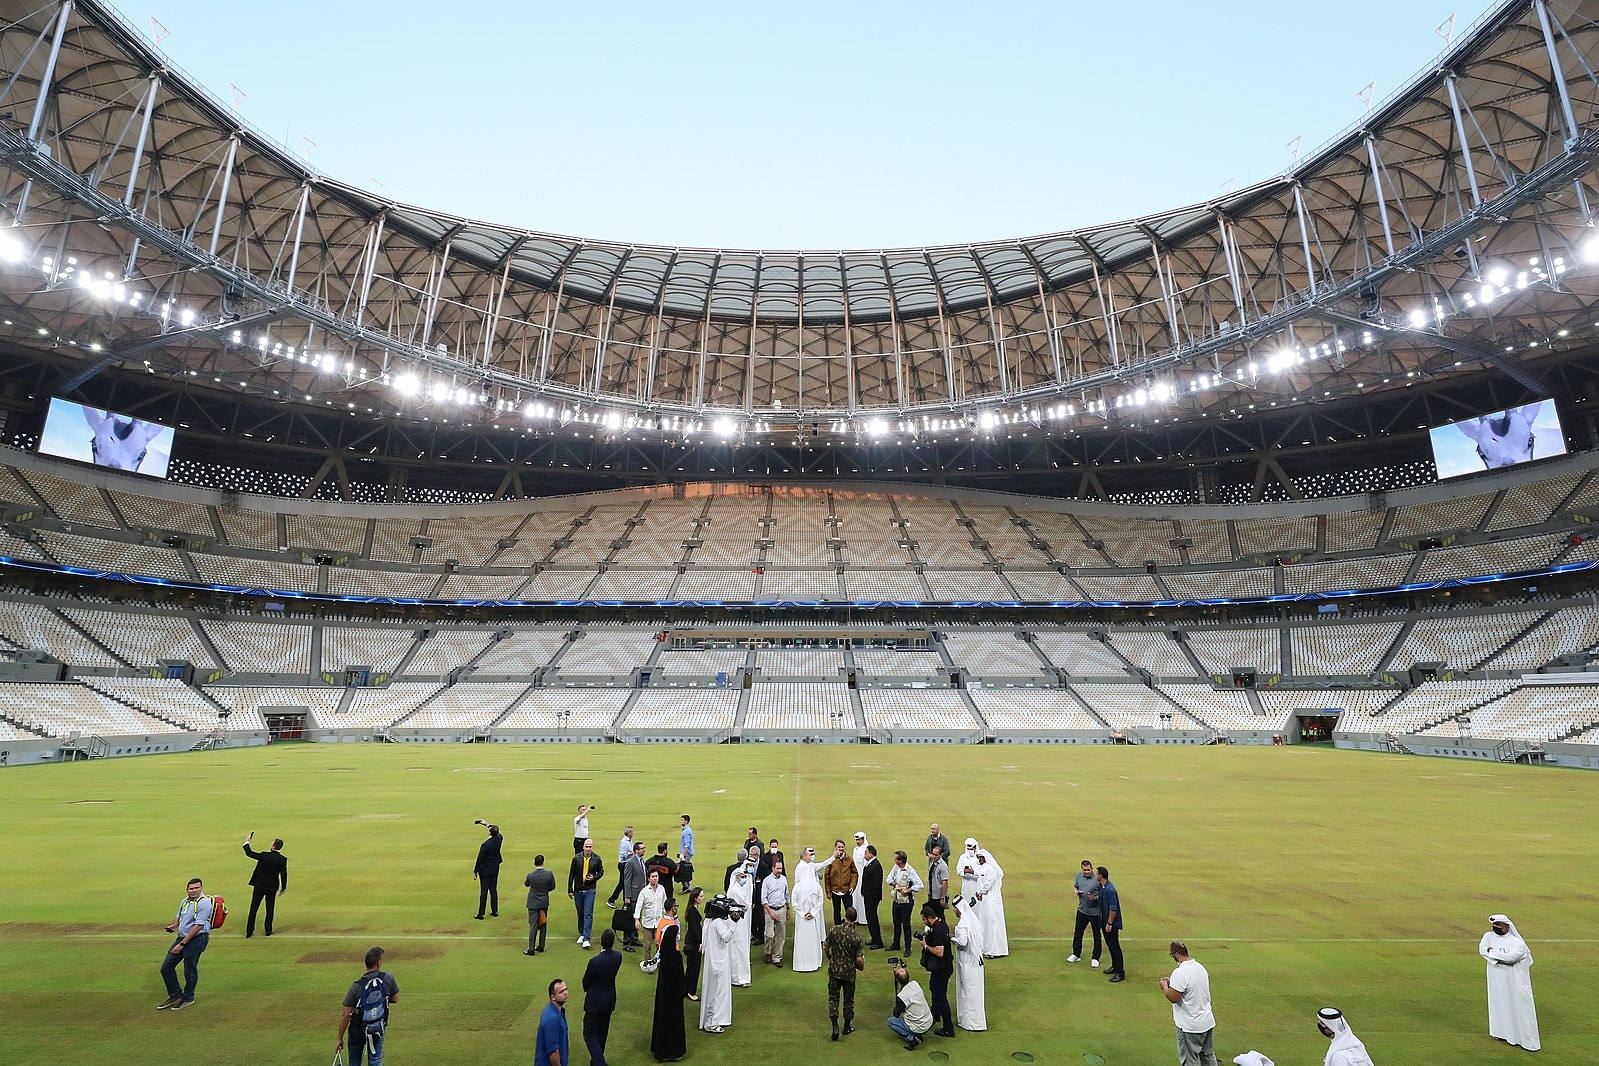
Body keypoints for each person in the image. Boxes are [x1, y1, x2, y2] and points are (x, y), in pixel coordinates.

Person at [1479, 914, 1539, 1051]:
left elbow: (1511, 958)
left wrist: (1491, 952)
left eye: (1498, 925)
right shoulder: (1488, 936)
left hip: (1514, 982)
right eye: (1494, 925)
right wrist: (1499, 956)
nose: (1496, 927)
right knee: (1498, 1005)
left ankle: (1527, 1041)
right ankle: (1500, 1033)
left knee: (1519, 1009)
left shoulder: (1518, 943)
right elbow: (1482, 950)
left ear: (1507, 926)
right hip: (1496, 980)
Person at [156, 877, 213, 1010]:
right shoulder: (185, 901)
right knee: (166, 967)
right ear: (187, 890)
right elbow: (179, 916)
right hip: (182, 938)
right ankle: (175, 995)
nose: (194, 890)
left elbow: (198, 926)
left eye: (197, 888)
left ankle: (188, 998)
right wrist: (174, 926)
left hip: (197, 940)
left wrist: (182, 944)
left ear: (201, 888)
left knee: (189, 969)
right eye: (191, 888)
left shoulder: (204, 903)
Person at [336, 946, 398, 1066]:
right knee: (375, 1060)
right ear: (378, 963)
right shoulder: (388, 978)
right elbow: (395, 998)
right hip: (377, 1027)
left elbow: (346, 1015)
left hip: (357, 1028)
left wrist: (339, 1038)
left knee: (355, 1061)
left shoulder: (356, 986)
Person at [1159, 940, 1217, 1066]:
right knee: (1208, 1056)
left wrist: (1165, 986)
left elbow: (1173, 997)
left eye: (1172, 955)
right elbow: (1191, 985)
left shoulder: (1180, 972)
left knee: (1190, 1061)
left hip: (1190, 1026)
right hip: (1207, 1021)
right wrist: (1173, 982)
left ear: (1177, 954)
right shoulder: (1200, 967)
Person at [651, 900, 687, 1061]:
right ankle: (672, 1052)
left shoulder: (664, 957)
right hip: (674, 998)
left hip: (664, 994)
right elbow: (680, 979)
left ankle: (660, 1049)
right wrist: (683, 991)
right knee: (673, 1023)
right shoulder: (676, 957)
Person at [580, 930, 622, 1066]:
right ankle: (596, 1062)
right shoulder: (618, 957)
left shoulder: (595, 962)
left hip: (595, 1002)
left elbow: (585, 983)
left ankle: (599, 1062)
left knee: (589, 1034)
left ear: (601, 943)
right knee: (602, 1033)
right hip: (609, 1001)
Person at [823, 905, 865, 1040]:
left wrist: (830, 957)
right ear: (855, 920)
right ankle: (847, 1026)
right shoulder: (856, 937)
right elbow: (859, 960)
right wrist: (860, 967)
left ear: (845, 916)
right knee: (848, 1000)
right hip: (849, 973)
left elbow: (825, 946)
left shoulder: (834, 930)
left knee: (833, 998)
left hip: (834, 971)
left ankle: (835, 1026)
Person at [698, 895, 738, 1034]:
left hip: (714, 961)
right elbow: (726, 937)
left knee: (714, 991)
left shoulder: (709, 921)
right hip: (718, 963)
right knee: (717, 992)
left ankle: (714, 1019)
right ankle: (711, 1022)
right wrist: (734, 923)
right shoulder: (718, 922)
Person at [918, 901, 955, 1038]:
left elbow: (939, 952)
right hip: (944, 967)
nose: (924, 922)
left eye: (924, 919)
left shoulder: (938, 930)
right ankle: (935, 1015)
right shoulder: (941, 924)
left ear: (929, 917)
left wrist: (925, 946)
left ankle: (948, 1028)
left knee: (940, 996)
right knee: (934, 989)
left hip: (942, 969)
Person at [950, 897, 986, 1031]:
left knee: (968, 991)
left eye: (954, 908)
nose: (953, 910)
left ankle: (970, 1022)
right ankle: (975, 1020)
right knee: (974, 991)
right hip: (974, 961)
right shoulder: (971, 920)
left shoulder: (963, 923)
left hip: (967, 962)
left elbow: (963, 942)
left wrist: (952, 938)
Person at [241, 831, 287, 938]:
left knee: (254, 908)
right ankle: (268, 930)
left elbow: (249, 853)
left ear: (274, 846)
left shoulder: (264, 855)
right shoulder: (282, 859)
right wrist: (283, 887)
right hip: (272, 887)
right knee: (270, 909)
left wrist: (247, 841)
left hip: (259, 886)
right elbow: (284, 874)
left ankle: (249, 931)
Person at [791, 848, 826, 973]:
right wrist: (812, 913)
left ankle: (803, 964)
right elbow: (820, 901)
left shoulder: (798, 888)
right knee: (811, 940)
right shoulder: (816, 887)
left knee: (804, 940)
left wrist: (804, 913)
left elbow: (794, 903)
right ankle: (812, 962)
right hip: (810, 917)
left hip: (804, 918)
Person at [888, 961, 936, 1051]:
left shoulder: (901, 997)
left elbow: (896, 1014)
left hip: (918, 1027)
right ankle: (917, 1034)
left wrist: (899, 1005)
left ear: (897, 980)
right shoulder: (915, 984)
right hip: (929, 1021)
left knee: (891, 1021)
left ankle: (912, 1038)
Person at [567, 838, 605, 949]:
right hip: (578, 890)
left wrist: (594, 877)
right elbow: (571, 874)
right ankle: (582, 933)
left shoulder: (597, 859)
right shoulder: (576, 858)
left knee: (588, 913)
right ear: (583, 847)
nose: (588, 849)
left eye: (590, 847)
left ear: (592, 847)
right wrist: (570, 889)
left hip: (590, 890)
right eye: (586, 847)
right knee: (580, 913)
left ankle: (586, 938)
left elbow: (601, 872)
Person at [886, 850, 924, 952]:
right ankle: (896, 944)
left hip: (906, 902)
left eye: (896, 858)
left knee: (906, 924)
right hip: (896, 900)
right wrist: (895, 884)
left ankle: (908, 947)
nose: (894, 860)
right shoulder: (896, 868)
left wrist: (908, 890)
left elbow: (920, 885)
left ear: (901, 860)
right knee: (896, 923)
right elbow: (888, 879)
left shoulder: (910, 871)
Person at [975, 844, 1008, 957]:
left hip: (991, 900)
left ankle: (994, 950)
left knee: (992, 923)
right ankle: (986, 947)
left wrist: (980, 892)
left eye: (980, 857)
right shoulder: (983, 868)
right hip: (985, 900)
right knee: (986, 923)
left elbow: (988, 883)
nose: (979, 859)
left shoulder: (991, 870)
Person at [1069, 858, 1102, 967]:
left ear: (1092, 868)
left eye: (1088, 870)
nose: (1087, 872)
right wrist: (1076, 891)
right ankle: (1076, 954)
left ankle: (1095, 958)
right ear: (1082, 869)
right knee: (1078, 932)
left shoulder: (1097, 879)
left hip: (1095, 912)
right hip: (1082, 910)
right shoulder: (1079, 875)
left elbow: (1103, 895)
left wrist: (1095, 898)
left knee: (1096, 935)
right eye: (1085, 870)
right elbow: (1075, 886)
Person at [727, 862, 755, 986]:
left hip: (740, 921)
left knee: (740, 948)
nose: (744, 879)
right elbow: (745, 904)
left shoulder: (739, 888)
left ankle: (739, 977)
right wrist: (749, 905)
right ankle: (740, 978)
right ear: (737, 877)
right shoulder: (735, 890)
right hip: (738, 922)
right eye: (742, 877)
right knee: (738, 949)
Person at [617, 842, 648, 950]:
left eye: (644, 848)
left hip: (640, 895)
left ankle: (634, 939)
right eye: (642, 848)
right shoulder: (630, 862)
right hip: (633, 896)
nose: (644, 850)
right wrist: (627, 896)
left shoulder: (641, 861)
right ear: (636, 850)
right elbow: (627, 880)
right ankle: (626, 943)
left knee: (637, 917)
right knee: (630, 919)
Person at [525, 853, 556, 956]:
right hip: (543, 902)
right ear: (543, 862)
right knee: (543, 923)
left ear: (535, 863)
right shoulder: (549, 874)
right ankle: (541, 946)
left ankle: (531, 949)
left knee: (533, 925)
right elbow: (552, 886)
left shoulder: (531, 875)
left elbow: (526, 884)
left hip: (533, 903)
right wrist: (544, 891)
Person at [634, 867, 667, 965]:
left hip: (659, 922)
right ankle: (648, 963)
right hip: (647, 923)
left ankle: (659, 962)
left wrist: (667, 917)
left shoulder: (661, 889)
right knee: (648, 945)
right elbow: (639, 906)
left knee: (658, 944)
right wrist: (637, 919)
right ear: (648, 878)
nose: (655, 878)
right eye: (653, 876)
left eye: (656, 876)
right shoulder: (644, 892)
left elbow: (664, 904)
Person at [1097, 866, 1124, 981]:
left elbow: (1113, 909)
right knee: (1110, 945)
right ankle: (1115, 966)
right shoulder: (1103, 887)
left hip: (1111, 924)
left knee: (1114, 946)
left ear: (1100, 876)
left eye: (1097, 874)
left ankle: (1120, 972)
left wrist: (1109, 923)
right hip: (1105, 922)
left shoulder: (1109, 890)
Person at [536, 978, 571, 1066]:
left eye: (566, 989)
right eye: (561, 992)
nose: (566, 993)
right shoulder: (552, 1019)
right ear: (553, 997)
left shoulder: (555, 1011)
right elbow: (553, 1051)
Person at [761, 856, 789, 967]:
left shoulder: (784, 879)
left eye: (781, 868)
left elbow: (787, 894)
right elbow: (763, 899)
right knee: (769, 934)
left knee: (781, 935)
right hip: (770, 909)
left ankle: (777, 957)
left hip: (781, 909)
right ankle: (767, 952)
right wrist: (770, 912)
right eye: (777, 868)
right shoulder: (767, 881)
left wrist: (788, 908)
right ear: (773, 868)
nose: (779, 871)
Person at [473, 822, 503, 920]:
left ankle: (481, 913)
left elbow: (480, 859)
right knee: (493, 889)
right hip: (495, 868)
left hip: (485, 870)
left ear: (489, 833)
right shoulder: (499, 839)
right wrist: (487, 824)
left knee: (484, 891)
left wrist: (475, 871)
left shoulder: (485, 845)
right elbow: (497, 832)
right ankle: (495, 911)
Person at [824, 839, 858, 925]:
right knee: (836, 912)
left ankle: (850, 930)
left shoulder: (849, 859)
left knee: (849, 911)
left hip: (846, 890)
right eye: (839, 847)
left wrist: (852, 886)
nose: (841, 849)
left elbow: (855, 873)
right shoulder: (831, 860)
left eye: (842, 847)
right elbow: (827, 876)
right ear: (835, 847)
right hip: (835, 891)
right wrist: (828, 892)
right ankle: (837, 929)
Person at [860, 844, 885, 949]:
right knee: (870, 918)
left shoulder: (875, 866)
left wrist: (870, 895)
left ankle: (878, 941)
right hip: (868, 896)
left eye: (866, 852)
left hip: (872, 898)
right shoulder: (870, 864)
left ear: (871, 854)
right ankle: (874, 938)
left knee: (872, 918)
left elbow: (876, 884)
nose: (864, 854)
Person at [682, 888, 704, 1001]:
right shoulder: (693, 912)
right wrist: (700, 941)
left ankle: (687, 989)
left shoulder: (691, 909)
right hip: (694, 944)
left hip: (691, 942)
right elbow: (695, 929)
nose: (702, 898)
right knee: (694, 968)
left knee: (691, 967)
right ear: (695, 898)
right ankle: (691, 991)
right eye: (701, 896)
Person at [606, 826, 635, 908]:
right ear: (628, 833)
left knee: (623, 883)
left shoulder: (630, 841)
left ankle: (614, 900)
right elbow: (623, 855)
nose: (633, 833)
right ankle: (620, 901)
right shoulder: (624, 842)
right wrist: (632, 853)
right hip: (623, 864)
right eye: (632, 832)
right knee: (625, 883)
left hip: (627, 864)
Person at [955, 838, 982, 908]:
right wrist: (964, 871)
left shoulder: (980, 859)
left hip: (976, 885)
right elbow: (958, 870)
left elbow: (982, 873)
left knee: (977, 906)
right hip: (966, 885)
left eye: (971, 849)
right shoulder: (963, 857)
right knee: (966, 904)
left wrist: (973, 872)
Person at [850, 831, 871, 918]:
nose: (858, 842)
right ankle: (854, 917)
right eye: (857, 840)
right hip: (855, 876)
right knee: (854, 896)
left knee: (861, 897)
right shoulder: (855, 849)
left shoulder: (866, 850)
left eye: (859, 840)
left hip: (863, 877)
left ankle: (863, 918)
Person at [676, 815, 695, 893]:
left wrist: (683, 855)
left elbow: (687, 844)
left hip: (686, 853)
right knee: (685, 869)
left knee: (682, 869)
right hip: (687, 852)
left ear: (686, 821)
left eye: (682, 820)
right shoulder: (687, 830)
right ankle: (687, 886)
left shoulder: (686, 831)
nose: (681, 822)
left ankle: (686, 887)